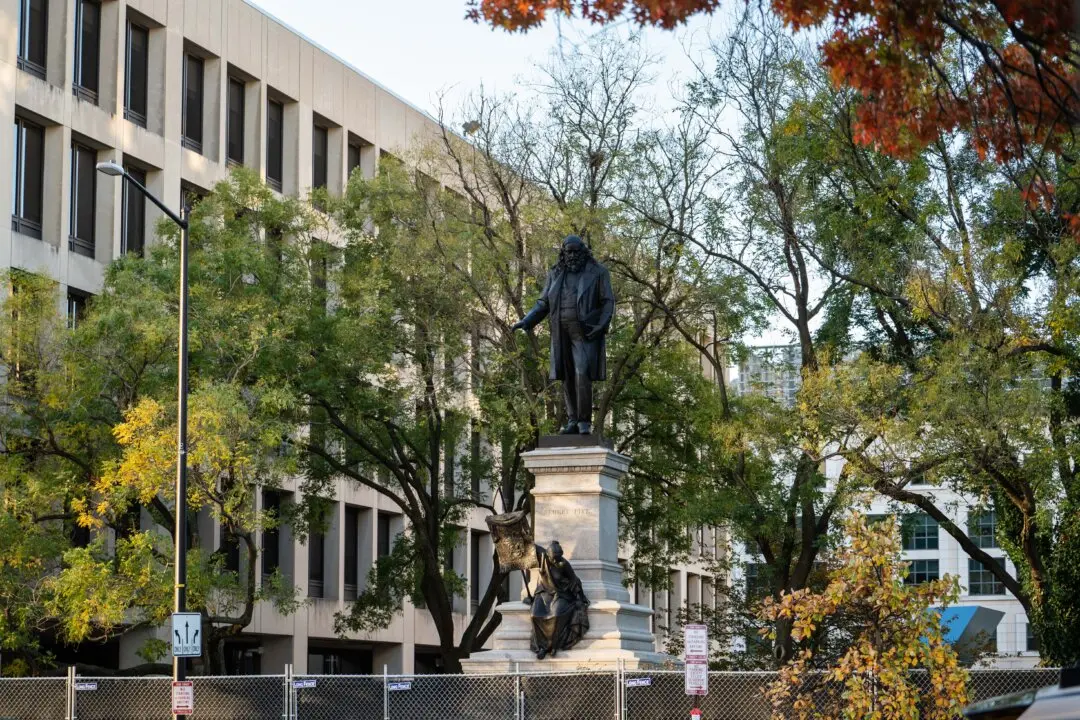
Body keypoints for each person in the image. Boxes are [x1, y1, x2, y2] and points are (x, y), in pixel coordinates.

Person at [512, 235, 615, 435]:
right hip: (561, 330)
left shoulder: (598, 272)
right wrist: (527, 321)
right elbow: (543, 302)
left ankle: (584, 421)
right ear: (563, 253)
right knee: (567, 376)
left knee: (582, 372)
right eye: (569, 252)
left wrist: (601, 325)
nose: (573, 255)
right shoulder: (555, 273)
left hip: (585, 332)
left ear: (583, 252)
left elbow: (608, 301)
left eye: (576, 251)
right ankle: (573, 420)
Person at [527, 541, 590, 659]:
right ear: (548, 555)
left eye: (558, 558)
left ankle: (551, 646)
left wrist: (580, 597)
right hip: (543, 593)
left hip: (561, 594)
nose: (556, 561)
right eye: (554, 559)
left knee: (556, 615)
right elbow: (530, 546)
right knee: (534, 615)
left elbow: (574, 580)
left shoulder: (564, 564)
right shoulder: (542, 557)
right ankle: (541, 645)